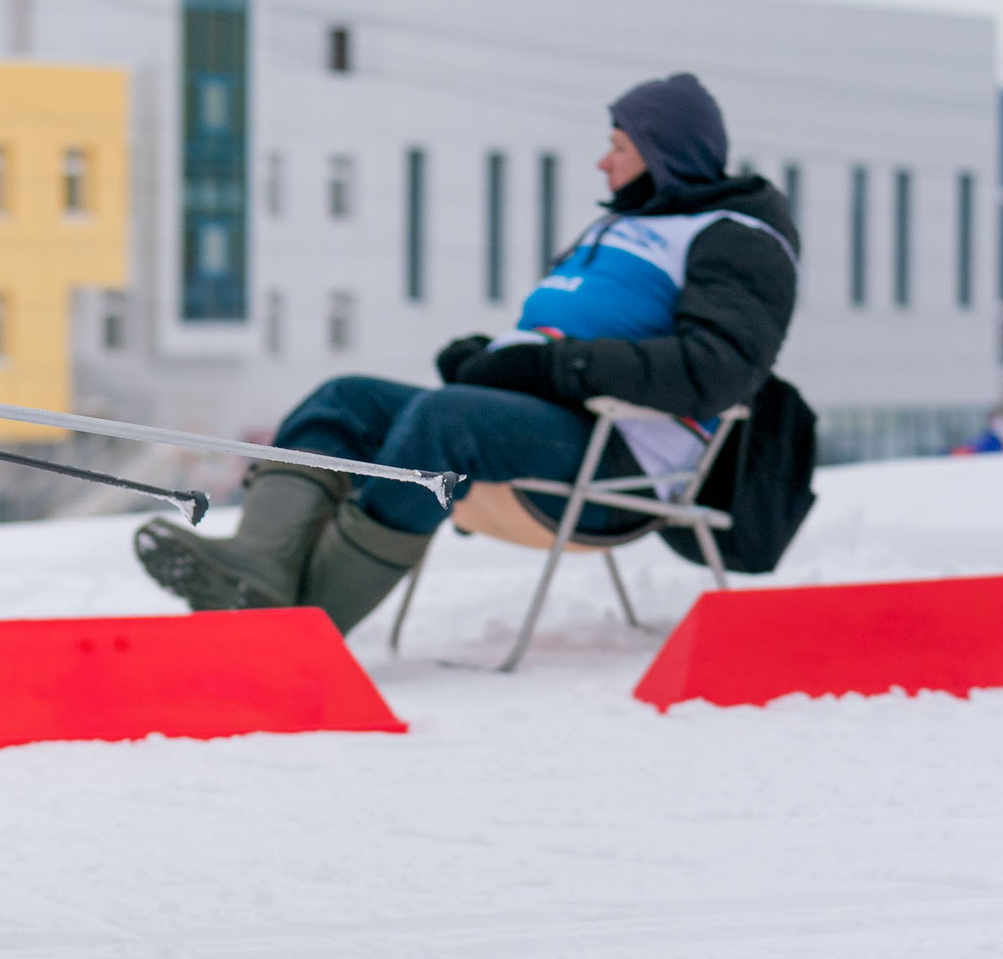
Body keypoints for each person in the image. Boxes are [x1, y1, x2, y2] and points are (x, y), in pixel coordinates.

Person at [135, 73, 799, 633]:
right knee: (342, 400)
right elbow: (564, 336)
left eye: (619, 147)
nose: (604, 162)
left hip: (622, 467)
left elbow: (716, 370)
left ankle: (295, 628)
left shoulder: (736, 238)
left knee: (445, 420)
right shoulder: (621, 226)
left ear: (664, 152)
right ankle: (258, 567)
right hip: (553, 428)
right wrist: (494, 357)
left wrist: (549, 367)